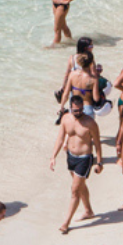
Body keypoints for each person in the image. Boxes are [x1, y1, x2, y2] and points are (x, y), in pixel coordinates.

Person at [51, 93, 102, 235]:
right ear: (70, 108)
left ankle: (66, 223)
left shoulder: (90, 123)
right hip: (71, 157)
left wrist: (99, 162)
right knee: (80, 186)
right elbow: (60, 139)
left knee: (74, 190)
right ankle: (88, 211)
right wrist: (53, 156)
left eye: (81, 110)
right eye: (75, 110)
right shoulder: (65, 119)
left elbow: (98, 144)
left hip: (84, 158)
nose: (78, 112)